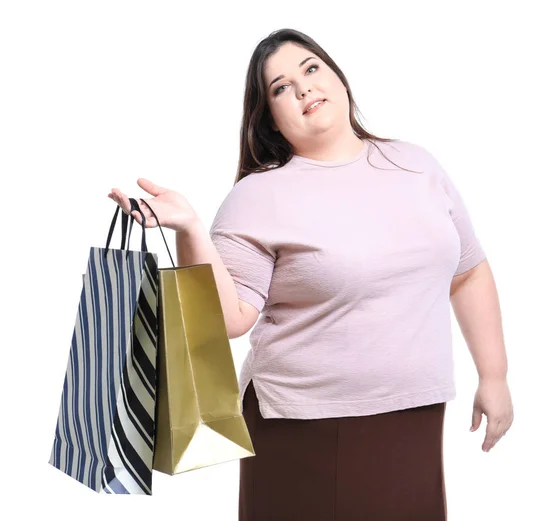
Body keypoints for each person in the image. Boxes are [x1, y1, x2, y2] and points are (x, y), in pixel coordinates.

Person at [109, 28, 514, 521]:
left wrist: (494, 375)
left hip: (414, 416)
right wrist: (191, 228)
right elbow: (231, 319)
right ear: (271, 121)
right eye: (280, 87)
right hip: (304, 425)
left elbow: (468, 272)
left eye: (311, 68)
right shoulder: (259, 196)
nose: (302, 88)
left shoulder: (416, 165)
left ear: (340, 81)